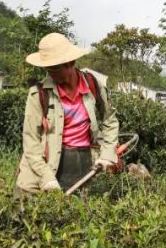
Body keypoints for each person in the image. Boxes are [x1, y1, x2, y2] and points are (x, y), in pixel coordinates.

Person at [15, 32, 119, 195]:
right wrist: (46, 177)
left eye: (55, 68)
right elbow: (31, 139)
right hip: (48, 163)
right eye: (47, 68)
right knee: (29, 215)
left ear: (70, 63)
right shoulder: (39, 94)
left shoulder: (92, 84)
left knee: (80, 213)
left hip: (82, 161)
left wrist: (107, 154)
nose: (51, 73)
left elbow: (110, 120)